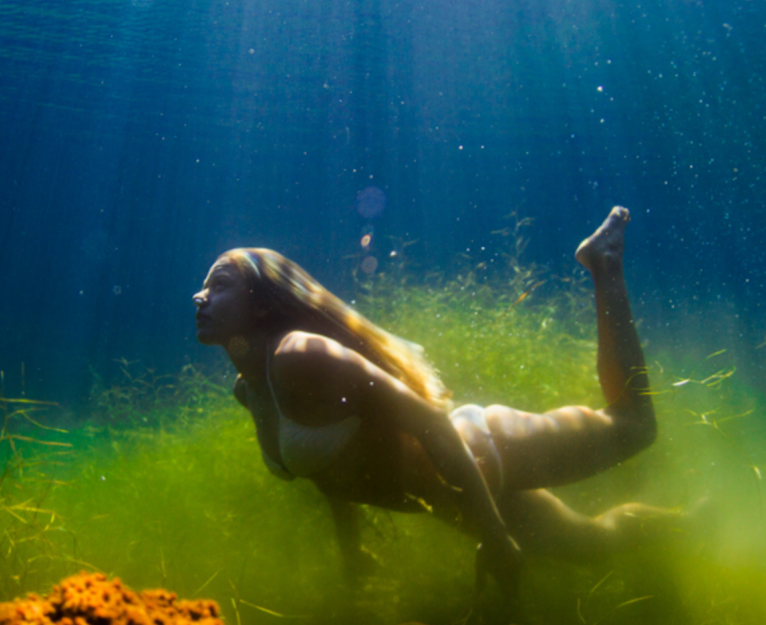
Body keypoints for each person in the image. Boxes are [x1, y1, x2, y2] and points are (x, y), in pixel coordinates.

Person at [193, 206, 673, 599]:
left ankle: (605, 264)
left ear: (261, 303)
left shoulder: (300, 355)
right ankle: (699, 523)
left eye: (219, 285)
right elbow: (324, 470)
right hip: (453, 498)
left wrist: (494, 534)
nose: (200, 297)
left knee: (634, 426)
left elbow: (431, 423)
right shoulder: (251, 389)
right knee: (590, 546)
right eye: (205, 287)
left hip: (486, 449)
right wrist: (351, 550)